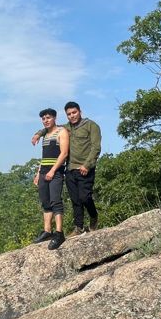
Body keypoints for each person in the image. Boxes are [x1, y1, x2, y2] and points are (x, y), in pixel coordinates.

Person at [32, 101, 101, 235]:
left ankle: (93, 216)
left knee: (85, 197)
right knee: (75, 200)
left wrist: (87, 165)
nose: (72, 116)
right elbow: (50, 127)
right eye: (69, 114)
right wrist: (38, 134)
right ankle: (79, 227)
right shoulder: (66, 128)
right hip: (69, 168)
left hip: (85, 168)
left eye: (74, 112)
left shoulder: (91, 126)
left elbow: (96, 147)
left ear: (80, 111)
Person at [32, 108, 69, 250]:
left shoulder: (62, 132)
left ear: (54, 118)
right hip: (44, 172)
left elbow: (64, 153)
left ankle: (59, 233)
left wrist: (53, 170)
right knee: (45, 201)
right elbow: (44, 157)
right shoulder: (45, 135)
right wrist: (38, 173)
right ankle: (47, 231)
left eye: (48, 117)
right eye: (43, 118)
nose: (45, 120)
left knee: (55, 201)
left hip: (56, 172)